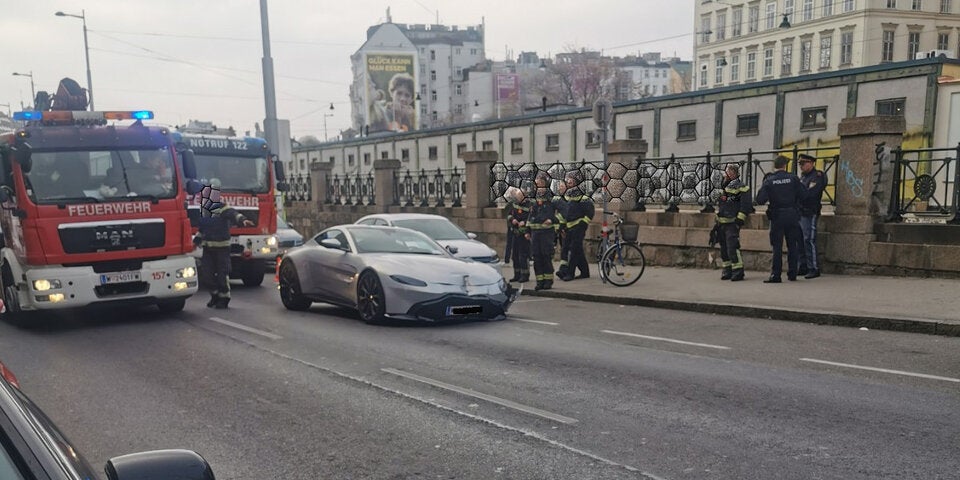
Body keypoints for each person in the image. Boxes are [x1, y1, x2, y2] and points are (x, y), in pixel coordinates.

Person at [195, 179, 254, 309]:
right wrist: (196, 240)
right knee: (206, 276)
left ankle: (224, 298)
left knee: (222, 274)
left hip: (222, 248)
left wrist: (243, 220)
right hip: (208, 249)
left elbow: (234, 214)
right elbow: (202, 228)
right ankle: (215, 295)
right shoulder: (205, 210)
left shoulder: (222, 208)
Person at [755, 155, 805, 283]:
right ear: (785, 165)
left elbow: (760, 199)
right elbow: (804, 195)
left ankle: (776, 275)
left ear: (775, 166)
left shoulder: (770, 180)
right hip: (792, 215)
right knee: (792, 245)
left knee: (777, 246)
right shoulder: (793, 178)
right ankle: (792, 273)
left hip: (777, 215)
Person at [715, 163, 751, 282]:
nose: (727, 175)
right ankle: (727, 269)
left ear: (735, 174)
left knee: (732, 247)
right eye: (727, 173)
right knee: (723, 248)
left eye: (730, 173)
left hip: (732, 222)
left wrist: (740, 219)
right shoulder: (723, 187)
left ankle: (738, 270)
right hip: (722, 222)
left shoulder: (741, 187)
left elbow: (746, 205)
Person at [558, 171, 594, 281]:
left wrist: (583, 223)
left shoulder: (583, 197)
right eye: (568, 180)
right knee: (572, 250)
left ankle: (570, 273)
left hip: (578, 227)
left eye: (571, 180)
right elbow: (564, 213)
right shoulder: (567, 196)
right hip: (568, 227)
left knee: (574, 250)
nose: (568, 182)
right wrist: (562, 226)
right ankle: (584, 272)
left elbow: (590, 212)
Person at [798, 154, 827, 279]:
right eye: (800, 164)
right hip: (800, 211)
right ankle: (803, 265)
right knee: (800, 240)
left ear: (811, 163)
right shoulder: (803, 177)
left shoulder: (818, 176)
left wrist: (800, 195)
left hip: (810, 211)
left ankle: (813, 268)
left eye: (803, 163)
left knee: (809, 239)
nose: (801, 166)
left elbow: (811, 194)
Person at [526, 173, 557, 291]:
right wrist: (527, 231)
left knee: (546, 256)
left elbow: (562, 213)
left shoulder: (552, 199)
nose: (539, 187)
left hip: (547, 233)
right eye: (537, 184)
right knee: (537, 257)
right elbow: (530, 216)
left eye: (541, 184)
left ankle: (548, 281)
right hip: (535, 233)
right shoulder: (533, 199)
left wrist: (552, 220)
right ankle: (539, 281)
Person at [505, 185, 531, 283]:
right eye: (517, 196)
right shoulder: (514, 204)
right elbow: (509, 215)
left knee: (523, 255)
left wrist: (524, 222)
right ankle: (517, 274)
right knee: (515, 256)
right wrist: (513, 219)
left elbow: (531, 217)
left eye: (519, 196)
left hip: (524, 234)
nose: (518, 198)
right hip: (515, 233)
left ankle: (525, 275)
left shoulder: (529, 206)